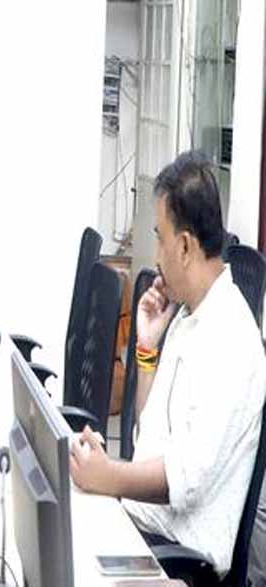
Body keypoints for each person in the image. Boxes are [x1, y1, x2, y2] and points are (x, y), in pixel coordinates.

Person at [70, 151, 266, 577]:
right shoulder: (189, 315)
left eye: (160, 238)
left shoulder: (230, 338)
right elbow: (152, 435)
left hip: (177, 560)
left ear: (185, 246)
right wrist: (146, 348)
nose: (156, 255)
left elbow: (184, 479)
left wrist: (107, 477)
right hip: (143, 527)